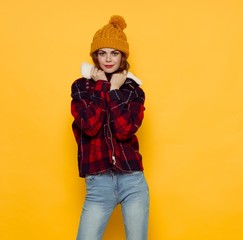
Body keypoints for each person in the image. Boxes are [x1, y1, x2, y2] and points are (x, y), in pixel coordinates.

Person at [70, 15, 149, 240]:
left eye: (114, 53)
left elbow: (124, 130)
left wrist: (115, 91)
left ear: (122, 56)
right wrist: (103, 87)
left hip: (132, 181)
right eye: (102, 53)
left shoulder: (133, 91)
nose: (108, 59)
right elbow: (90, 126)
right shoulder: (81, 87)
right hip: (98, 183)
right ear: (95, 55)